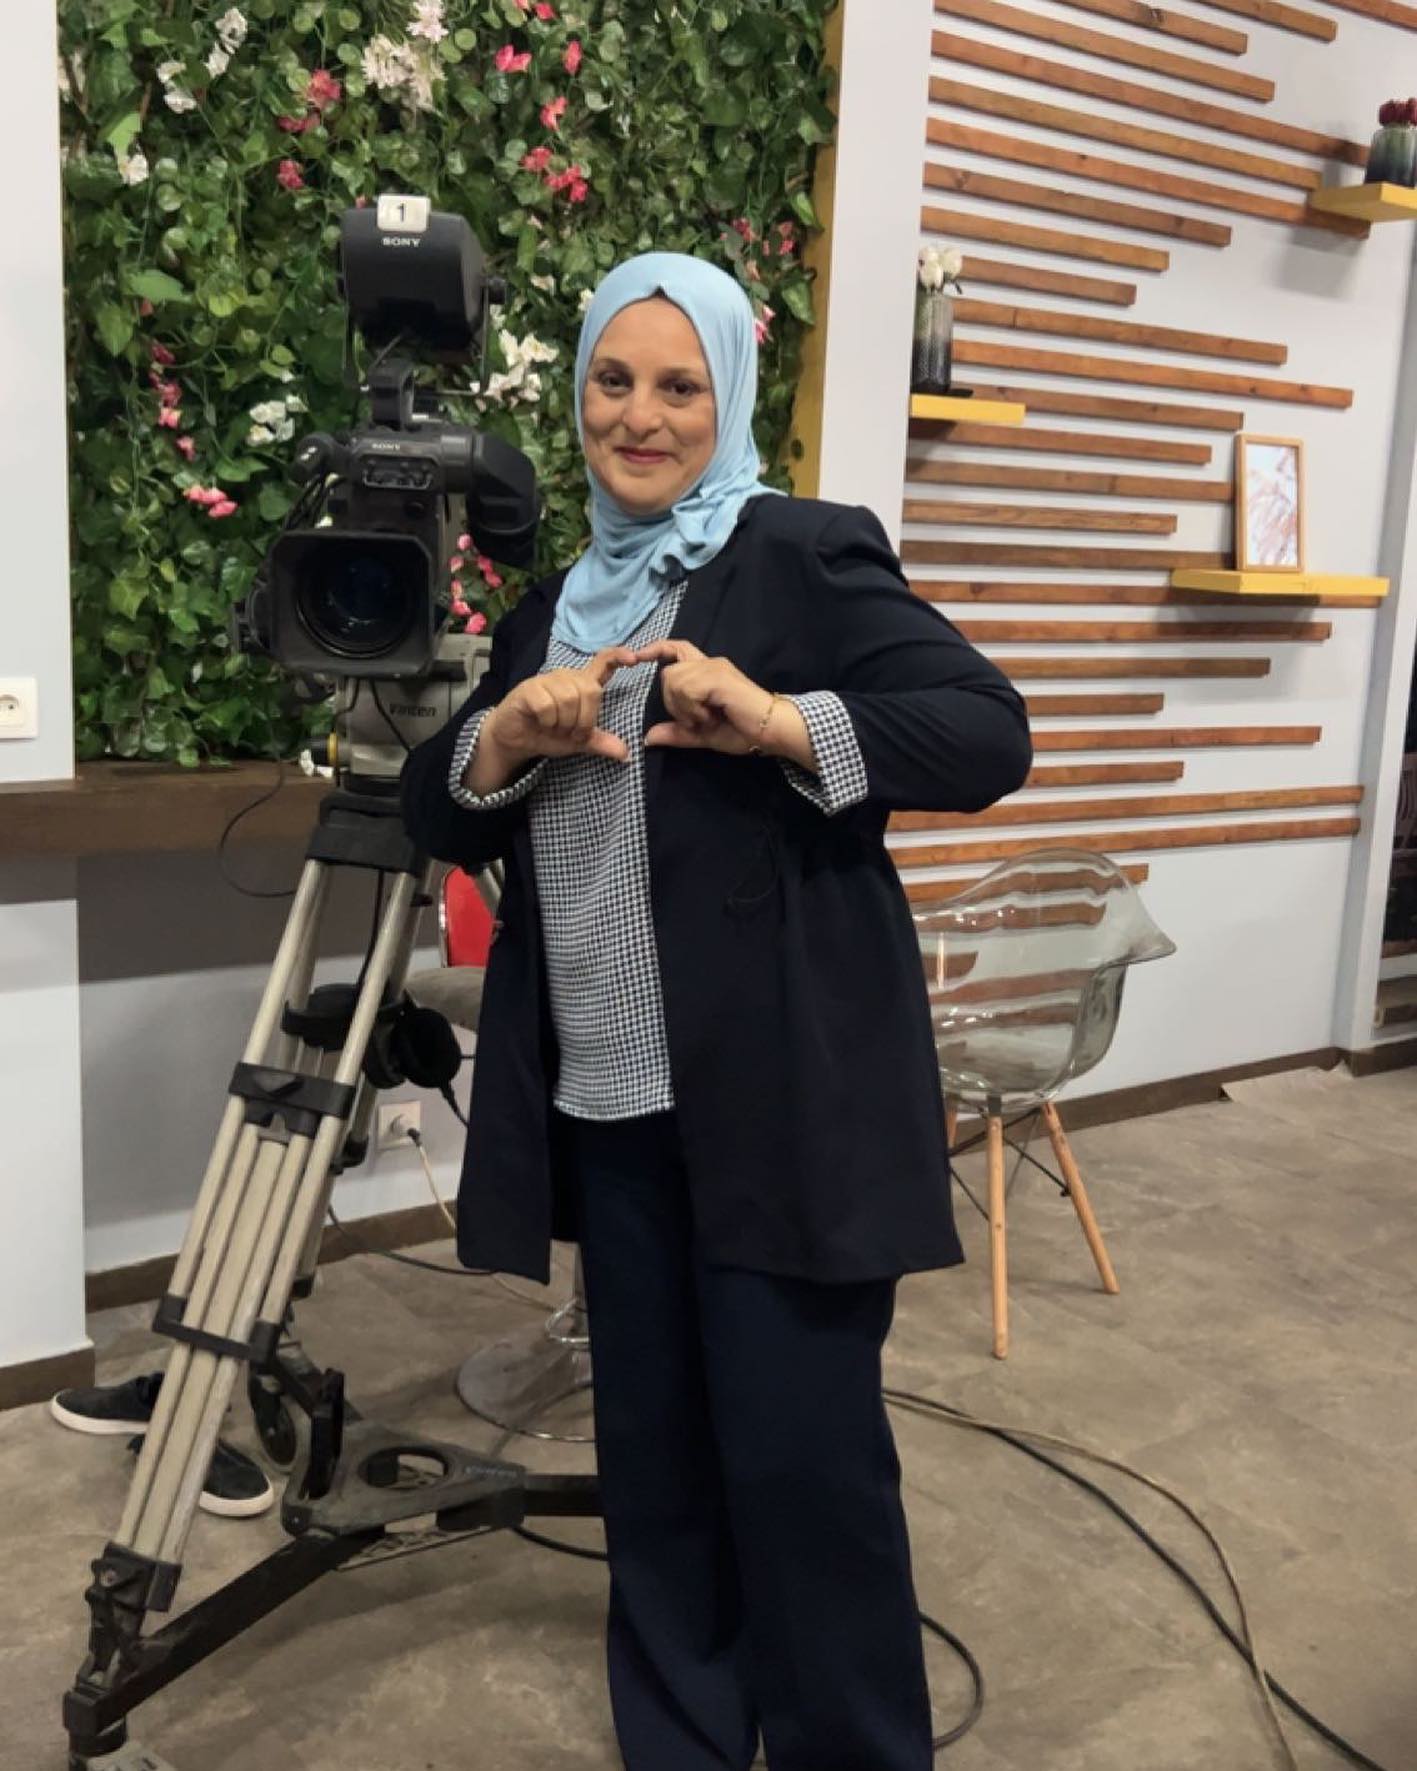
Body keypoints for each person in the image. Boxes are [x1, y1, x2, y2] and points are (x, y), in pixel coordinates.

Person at [401, 252, 1032, 1771]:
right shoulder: (557, 608)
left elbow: (985, 732)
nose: (641, 416)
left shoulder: (800, 553)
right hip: (609, 1106)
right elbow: (439, 802)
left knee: (804, 1470)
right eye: (612, 382)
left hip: (779, 1105)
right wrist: (505, 734)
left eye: (678, 386)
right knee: (657, 1464)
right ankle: (681, 1738)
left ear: (728, 398)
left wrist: (781, 721)